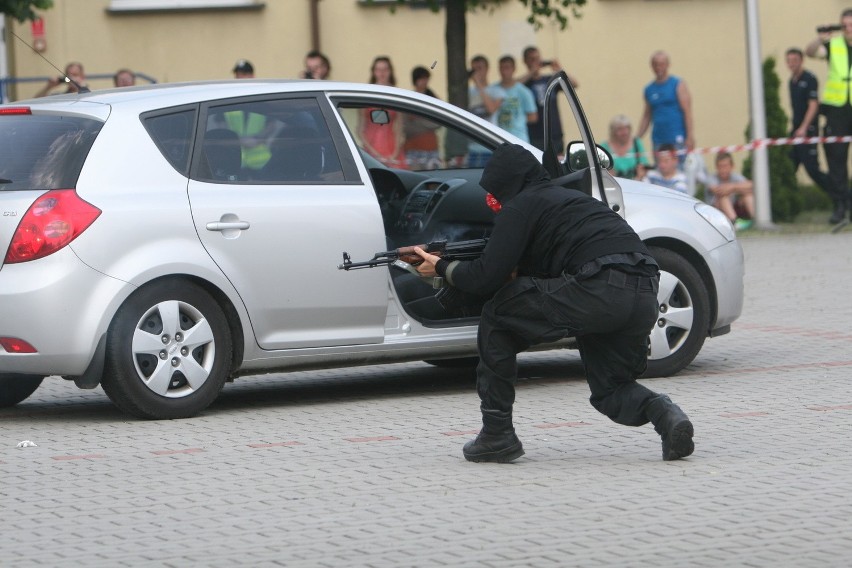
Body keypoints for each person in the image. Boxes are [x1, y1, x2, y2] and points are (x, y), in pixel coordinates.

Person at [411, 143, 694, 463]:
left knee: (498, 317)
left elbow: (484, 279)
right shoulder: (575, 200)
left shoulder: (520, 205)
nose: (494, 200)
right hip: (644, 290)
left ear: (504, 183)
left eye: (495, 192)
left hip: (597, 289)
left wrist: (439, 267)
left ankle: (497, 434)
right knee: (611, 391)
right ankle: (667, 415)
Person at [806, 10, 852, 224]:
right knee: (836, 159)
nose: (848, 29)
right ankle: (841, 206)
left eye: (851, 25)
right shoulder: (834, 45)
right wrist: (820, 38)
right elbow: (810, 52)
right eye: (845, 25)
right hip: (837, 109)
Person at [785, 47, 834, 207]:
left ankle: (841, 197)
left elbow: (813, 105)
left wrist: (804, 128)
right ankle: (787, 204)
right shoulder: (792, 81)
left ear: (801, 61)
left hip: (807, 131)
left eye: (795, 61)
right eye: (789, 61)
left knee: (813, 170)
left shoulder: (809, 79)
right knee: (789, 167)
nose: (792, 64)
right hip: (796, 131)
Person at [636, 51, 695, 166]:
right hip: (658, 139)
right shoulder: (649, 89)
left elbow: (687, 112)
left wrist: (690, 136)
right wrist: (637, 138)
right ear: (652, 66)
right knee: (661, 171)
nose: (659, 67)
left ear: (668, 65)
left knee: (679, 170)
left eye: (662, 64)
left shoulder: (678, 84)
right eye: (656, 64)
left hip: (677, 138)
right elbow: (647, 115)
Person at [519, 46, 578, 152]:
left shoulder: (550, 79)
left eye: (537, 59)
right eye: (532, 59)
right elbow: (514, 87)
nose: (536, 62)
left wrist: (559, 70)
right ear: (525, 61)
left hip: (555, 134)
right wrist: (532, 72)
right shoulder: (524, 83)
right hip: (535, 135)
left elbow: (574, 84)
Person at [358, 56, 407, 168]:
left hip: (393, 148)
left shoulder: (397, 94)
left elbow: (400, 127)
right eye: (378, 69)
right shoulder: (366, 95)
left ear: (390, 71)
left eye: (385, 69)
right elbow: (360, 131)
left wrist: (395, 153)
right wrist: (374, 154)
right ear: (374, 72)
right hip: (371, 147)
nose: (382, 73)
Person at [467, 55, 504, 167]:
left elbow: (491, 109)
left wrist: (479, 84)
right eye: (474, 69)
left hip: (489, 146)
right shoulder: (468, 92)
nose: (477, 72)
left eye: (480, 68)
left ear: (487, 69)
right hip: (471, 147)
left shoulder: (497, 91)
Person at [491, 55, 537, 143]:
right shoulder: (493, 90)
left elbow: (533, 117)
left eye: (507, 68)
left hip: (519, 138)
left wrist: (516, 118)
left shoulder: (523, 91)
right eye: (501, 68)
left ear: (514, 69)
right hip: (498, 138)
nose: (504, 71)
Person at [705, 152, 755, 231]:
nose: (722, 170)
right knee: (723, 197)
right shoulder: (711, 178)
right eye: (720, 166)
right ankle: (735, 223)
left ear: (732, 166)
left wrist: (733, 187)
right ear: (716, 167)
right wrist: (737, 188)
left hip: (733, 207)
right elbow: (719, 190)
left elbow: (752, 185)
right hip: (715, 213)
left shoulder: (735, 176)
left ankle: (755, 220)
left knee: (748, 195)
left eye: (725, 166)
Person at [404, 66, 441, 170]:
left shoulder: (433, 98)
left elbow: (438, 122)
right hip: (412, 148)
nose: (424, 81)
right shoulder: (408, 99)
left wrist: (418, 120)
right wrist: (426, 121)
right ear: (415, 80)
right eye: (421, 78)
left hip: (431, 147)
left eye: (426, 78)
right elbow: (406, 126)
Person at [600, 114, 650, 180]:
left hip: (636, 183)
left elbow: (644, 166)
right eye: (620, 129)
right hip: (613, 184)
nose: (624, 132)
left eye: (626, 128)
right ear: (613, 132)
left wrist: (640, 173)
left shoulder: (636, 143)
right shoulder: (604, 147)